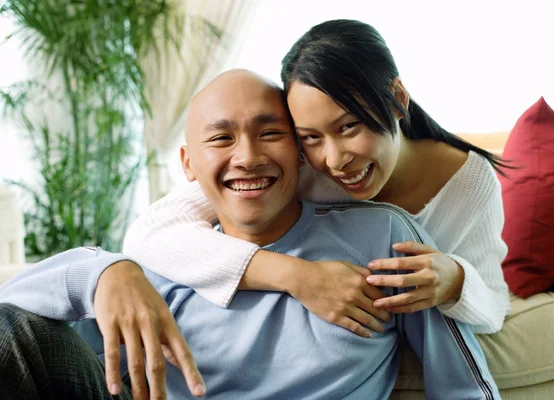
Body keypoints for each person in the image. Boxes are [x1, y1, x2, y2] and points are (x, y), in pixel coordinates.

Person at [0, 70, 500, 399]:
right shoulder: (167, 256)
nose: (247, 157)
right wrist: (104, 271)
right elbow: (16, 319)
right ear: (188, 164)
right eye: (221, 138)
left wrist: (454, 277)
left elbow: (465, 385)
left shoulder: (383, 235)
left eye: (270, 133)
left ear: (301, 151)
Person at [119, 18, 510, 337]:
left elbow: (494, 303)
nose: (334, 160)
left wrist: (456, 280)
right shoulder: (299, 166)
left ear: (397, 101)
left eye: (349, 126)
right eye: (310, 137)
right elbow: (149, 233)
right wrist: (296, 276)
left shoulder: (469, 183)